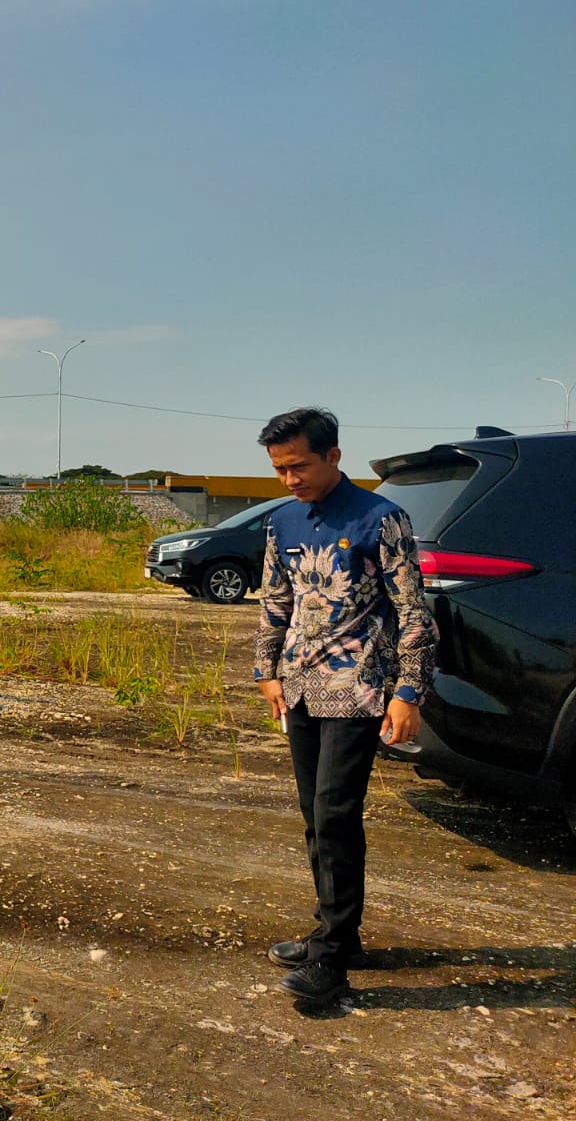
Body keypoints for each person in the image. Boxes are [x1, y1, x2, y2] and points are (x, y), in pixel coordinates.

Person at [254, 407, 436, 1007]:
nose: (290, 479)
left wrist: (409, 692)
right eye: (280, 469)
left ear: (333, 456)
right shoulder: (282, 521)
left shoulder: (381, 519)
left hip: (359, 690)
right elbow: (275, 602)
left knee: (335, 812)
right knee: (316, 814)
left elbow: (414, 613)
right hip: (301, 687)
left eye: (299, 466)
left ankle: (330, 962)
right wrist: (267, 672)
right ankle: (339, 933)